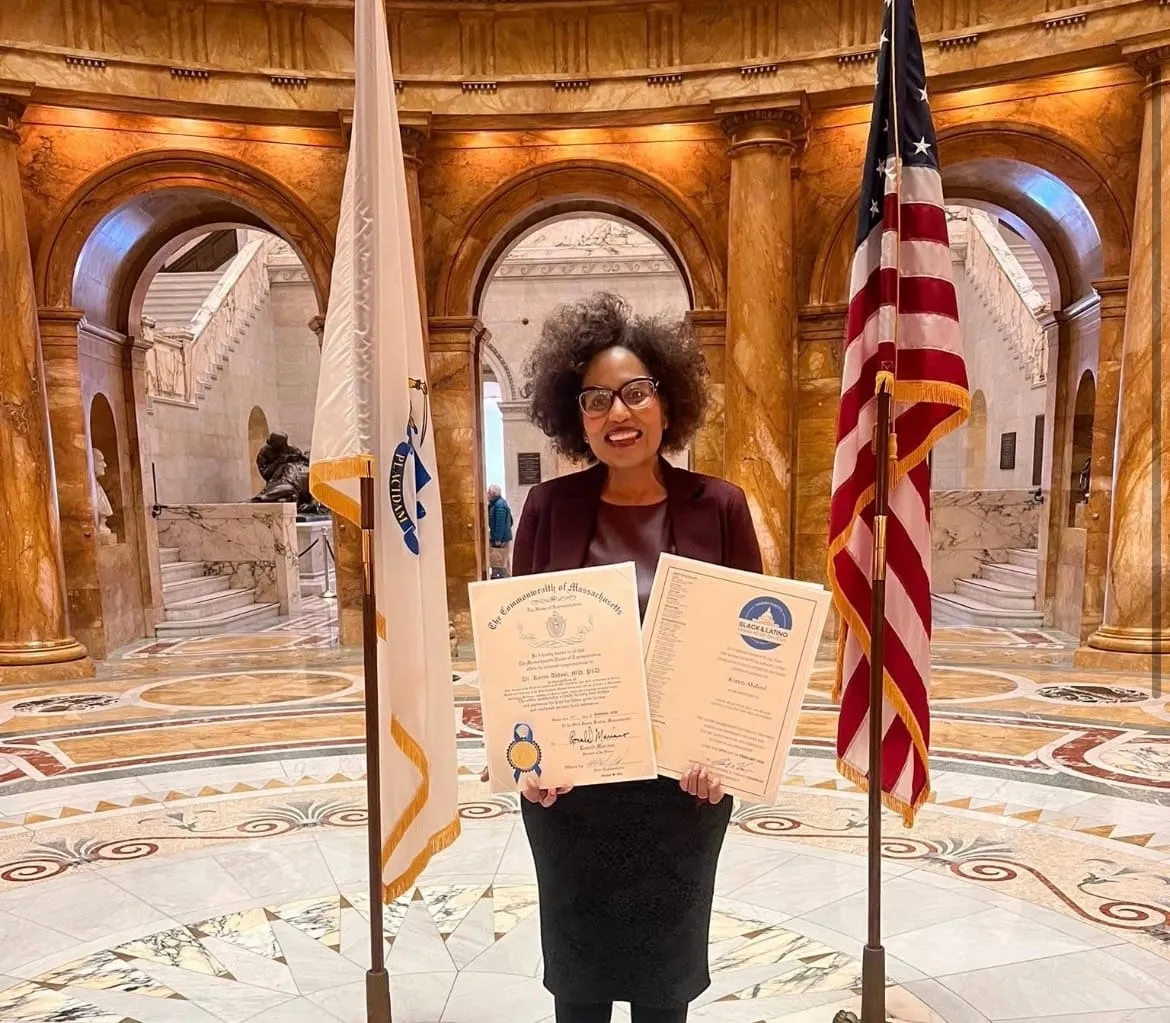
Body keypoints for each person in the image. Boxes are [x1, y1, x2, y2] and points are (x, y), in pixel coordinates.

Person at [510, 292, 763, 1023]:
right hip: (572, 793)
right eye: (596, 400)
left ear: (666, 399)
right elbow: (520, 654)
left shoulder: (720, 506)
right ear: (574, 414)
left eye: (634, 393)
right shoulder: (547, 509)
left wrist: (727, 755)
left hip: (681, 791)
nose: (617, 415)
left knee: (663, 991)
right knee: (580, 992)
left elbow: (748, 651)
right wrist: (529, 764)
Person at [486, 483, 513, 578]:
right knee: (502, 559)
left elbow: (500, 524)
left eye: (488, 493)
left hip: (501, 538)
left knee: (501, 559)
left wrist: (498, 539)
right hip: (503, 537)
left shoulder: (499, 506)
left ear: (493, 494)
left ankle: (503, 578)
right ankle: (500, 575)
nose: (487, 495)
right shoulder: (499, 503)